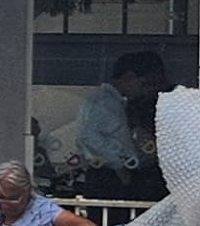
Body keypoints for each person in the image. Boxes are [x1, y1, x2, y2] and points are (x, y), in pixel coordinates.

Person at [71, 50, 167, 197]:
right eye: (143, 84)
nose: (145, 91)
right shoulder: (103, 103)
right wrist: (118, 164)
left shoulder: (118, 103)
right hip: (107, 175)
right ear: (129, 78)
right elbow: (87, 136)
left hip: (117, 172)